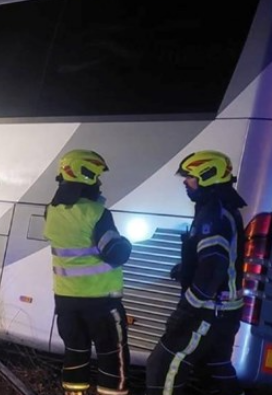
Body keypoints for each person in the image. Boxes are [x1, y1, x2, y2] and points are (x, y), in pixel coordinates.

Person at [146, 151, 247, 395]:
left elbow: (213, 268)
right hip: (224, 311)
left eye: (189, 176)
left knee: (163, 366)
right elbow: (217, 259)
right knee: (215, 370)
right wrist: (188, 269)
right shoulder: (220, 208)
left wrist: (186, 310)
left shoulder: (213, 214)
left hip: (209, 311)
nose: (185, 182)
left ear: (207, 176)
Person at [43, 149, 132, 395]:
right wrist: (126, 243)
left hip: (66, 302)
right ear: (86, 175)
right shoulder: (97, 213)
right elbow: (115, 252)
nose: (100, 182)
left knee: (75, 354)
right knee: (112, 358)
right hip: (101, 302)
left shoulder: (51, 210)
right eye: (96, 176)